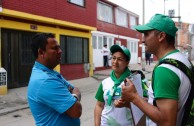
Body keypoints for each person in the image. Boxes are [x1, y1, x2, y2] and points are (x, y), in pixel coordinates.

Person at [121, 14, 192, 126]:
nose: (143, 40)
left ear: (161, 36)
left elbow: (167, 121)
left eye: (146, 34)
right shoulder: (182, 60)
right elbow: (163, 104)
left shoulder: (165, 70)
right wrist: (135, 100)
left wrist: (135, 98)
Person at [28, 33, 82, 126]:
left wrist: (72, 97)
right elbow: (76, 110)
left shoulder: (51, 73)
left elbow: (74, 88)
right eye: (55, 48)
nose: (60, 51)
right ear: (41, 52)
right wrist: (75, 97)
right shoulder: (45, 80)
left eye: (59, 48)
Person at [94, 45, 135, 126]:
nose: (115, 62)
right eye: (113, 58)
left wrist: (127, 104)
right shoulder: (105, 82)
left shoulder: (134, 81)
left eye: (120, 59)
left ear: (127, 62)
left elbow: (143, 106)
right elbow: (99, 105)